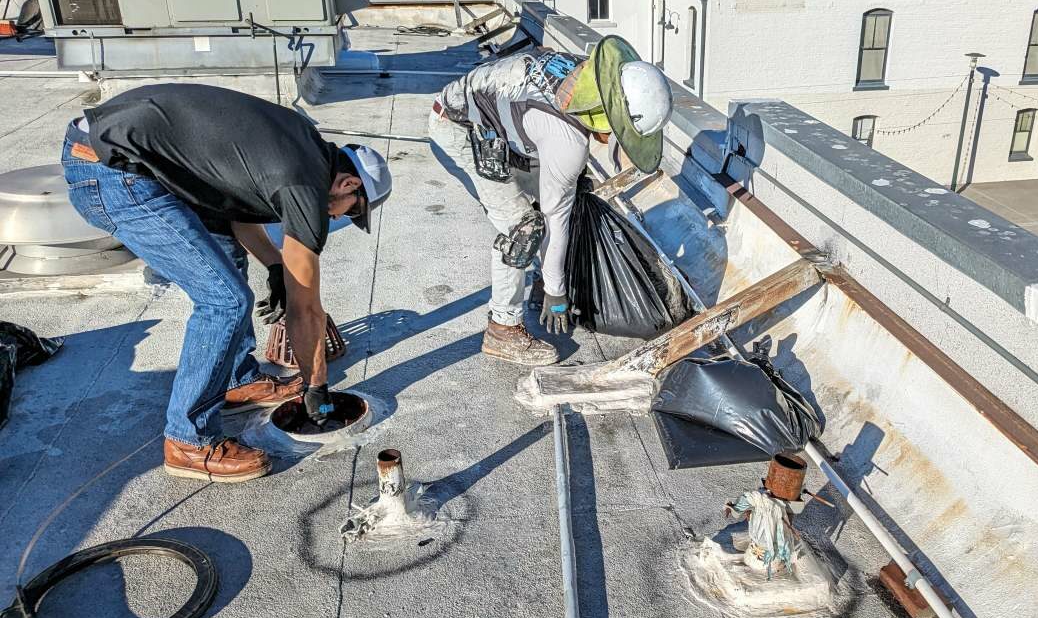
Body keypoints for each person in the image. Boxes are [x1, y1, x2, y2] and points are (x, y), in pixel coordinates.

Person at [61, 83, 392, 483]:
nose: (336, 218)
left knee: (228, 260)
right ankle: (189, 441)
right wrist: (316, 387)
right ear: (349, 185)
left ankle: (235, 380)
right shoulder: (305, 185)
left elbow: (239, 203)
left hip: (133, 153)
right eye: (348, 212)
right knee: (224, 300)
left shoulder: (305, 145)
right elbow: (306, 310)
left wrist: (274, 264)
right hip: (112, 172)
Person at [428, 35, 673, 365]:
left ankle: (541, 283)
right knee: (523, 228)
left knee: (565, 193)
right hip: (460, 125)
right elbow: (554, 216)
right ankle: (503, 328)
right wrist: (557, 290)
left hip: (500, 118)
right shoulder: (567, 140)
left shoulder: (584, 72)